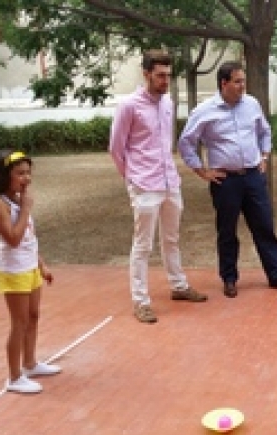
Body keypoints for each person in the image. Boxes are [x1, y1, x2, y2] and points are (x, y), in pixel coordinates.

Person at [178, 60, 277, 298]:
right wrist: (202, 171)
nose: (243, 85)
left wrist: (264, 155)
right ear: (224, 83)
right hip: (225, 182)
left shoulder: (252, 104)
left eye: (243, 81)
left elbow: (264, 131)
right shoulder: (204, 111)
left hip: (253, 177)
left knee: (264, 226)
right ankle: (229, 278)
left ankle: (276, 274)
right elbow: (186, 142)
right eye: (238, 81)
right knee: (227, 231)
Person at [109, 50, 207, 324]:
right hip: (144, 184)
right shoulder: (129, 105)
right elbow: (116, 148)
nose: (165, 80)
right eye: (160, 75)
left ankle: (179, 285)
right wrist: (131, 178)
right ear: (146, 74)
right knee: (142, 245)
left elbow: (167, 142)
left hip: (169, 181)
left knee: (172, 238)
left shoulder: (168, 103)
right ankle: (140, 301)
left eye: (168, 75)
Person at [0, 149, 61, 394]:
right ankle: (14, 377)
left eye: (28, 172)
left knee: (34, 316)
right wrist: (26, 208)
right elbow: (14, 240)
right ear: (3, 175)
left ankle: (30, 363)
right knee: (18, 322)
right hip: (13, 269)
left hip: (29, 266)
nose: (26, 178)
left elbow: (29, 238)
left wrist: (42, 264)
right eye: (20, 173)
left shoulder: (19, 199)